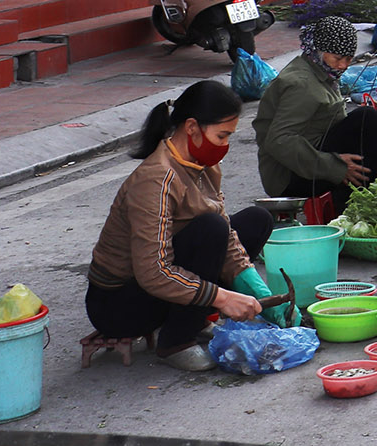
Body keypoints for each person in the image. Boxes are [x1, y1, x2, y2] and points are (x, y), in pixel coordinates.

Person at [86, 81, 273, 372]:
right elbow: (154, 272)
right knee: (210, 230)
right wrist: (223, 297)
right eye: (221, 136)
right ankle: (176, 340)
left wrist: (257, 289)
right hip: (119, 303)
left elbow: (227, 233)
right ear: (192, 128)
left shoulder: (204, 165)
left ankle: (196, 318)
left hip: (166, 278)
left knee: (256, 220)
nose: (225, 146)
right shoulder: (156, 178)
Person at [254, 16, 377, 207]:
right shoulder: (302, 84)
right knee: (365, 120)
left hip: (311, 158)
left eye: (348, 59)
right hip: (288, 177)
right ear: (319, 51)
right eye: (338, 58)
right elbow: (280, 140)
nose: (343, 65)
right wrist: (334, 167)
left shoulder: (320, 70)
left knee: (365, 126)